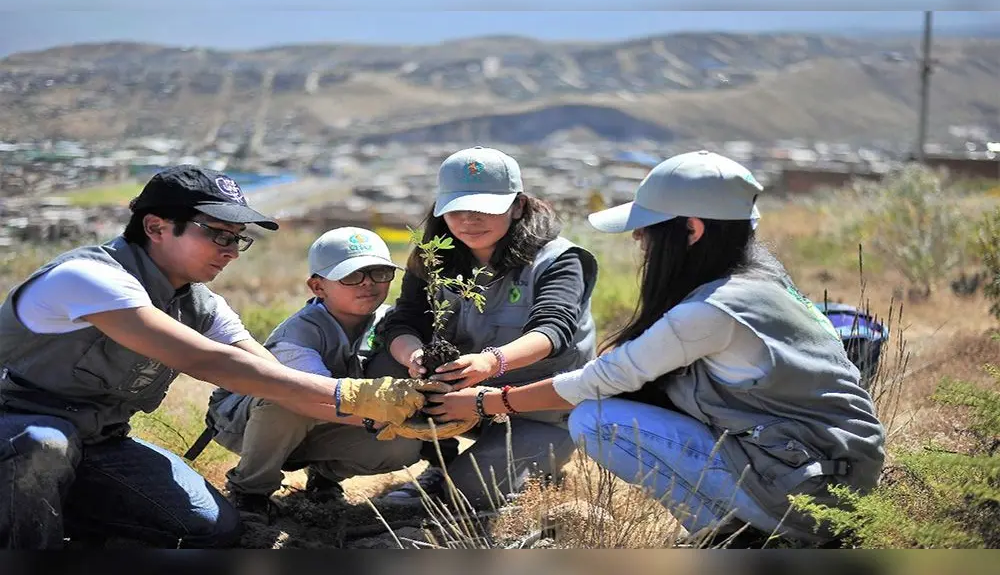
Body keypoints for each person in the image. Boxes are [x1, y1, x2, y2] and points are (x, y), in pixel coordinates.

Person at [426, 150, 886, 545]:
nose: (638, 239)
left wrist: (488, 402)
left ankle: (737, 537)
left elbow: (599, 383)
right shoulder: (760, 277)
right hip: (835, 472)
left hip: (808, 492)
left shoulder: (713, 310)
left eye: (647, 227)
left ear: (691, 230)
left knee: (596, 419)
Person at [0, 165, 444, 549]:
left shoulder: (199, 303)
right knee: (42, 445)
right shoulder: (89, 278)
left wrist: (395, 414)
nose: (230, 250)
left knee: (211, 529)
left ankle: (63, 508)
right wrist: (359, 395)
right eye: (217, 234)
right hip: (16, 428)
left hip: (100, 443)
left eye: (237, 239)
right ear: (156, 227)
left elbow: (271, 376)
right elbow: (212, 362)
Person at [368, 146, 599, 506]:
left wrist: (491, 363)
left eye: (485, 208)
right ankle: (437, 459)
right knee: (384, 361)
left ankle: (530, 464)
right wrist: (412, 355)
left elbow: (553, 330)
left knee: (468, 493)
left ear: (518, 206)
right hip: (457, 395)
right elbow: (405, 319)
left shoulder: (558, 260)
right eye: (456, 209)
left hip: (539, 407)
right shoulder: (433, 257)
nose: (468, 220)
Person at [204, 227, 423, 521]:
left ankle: (324, 477)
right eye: (352, 276)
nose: (368, 284)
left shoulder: (391, 321)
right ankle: (250, 491)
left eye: (379, 272)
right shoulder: (299, 333)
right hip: (251, 422)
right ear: (318, 287)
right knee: (285, 399)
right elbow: (309, 397)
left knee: (404, 445)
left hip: (325, 419)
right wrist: (383, 417)